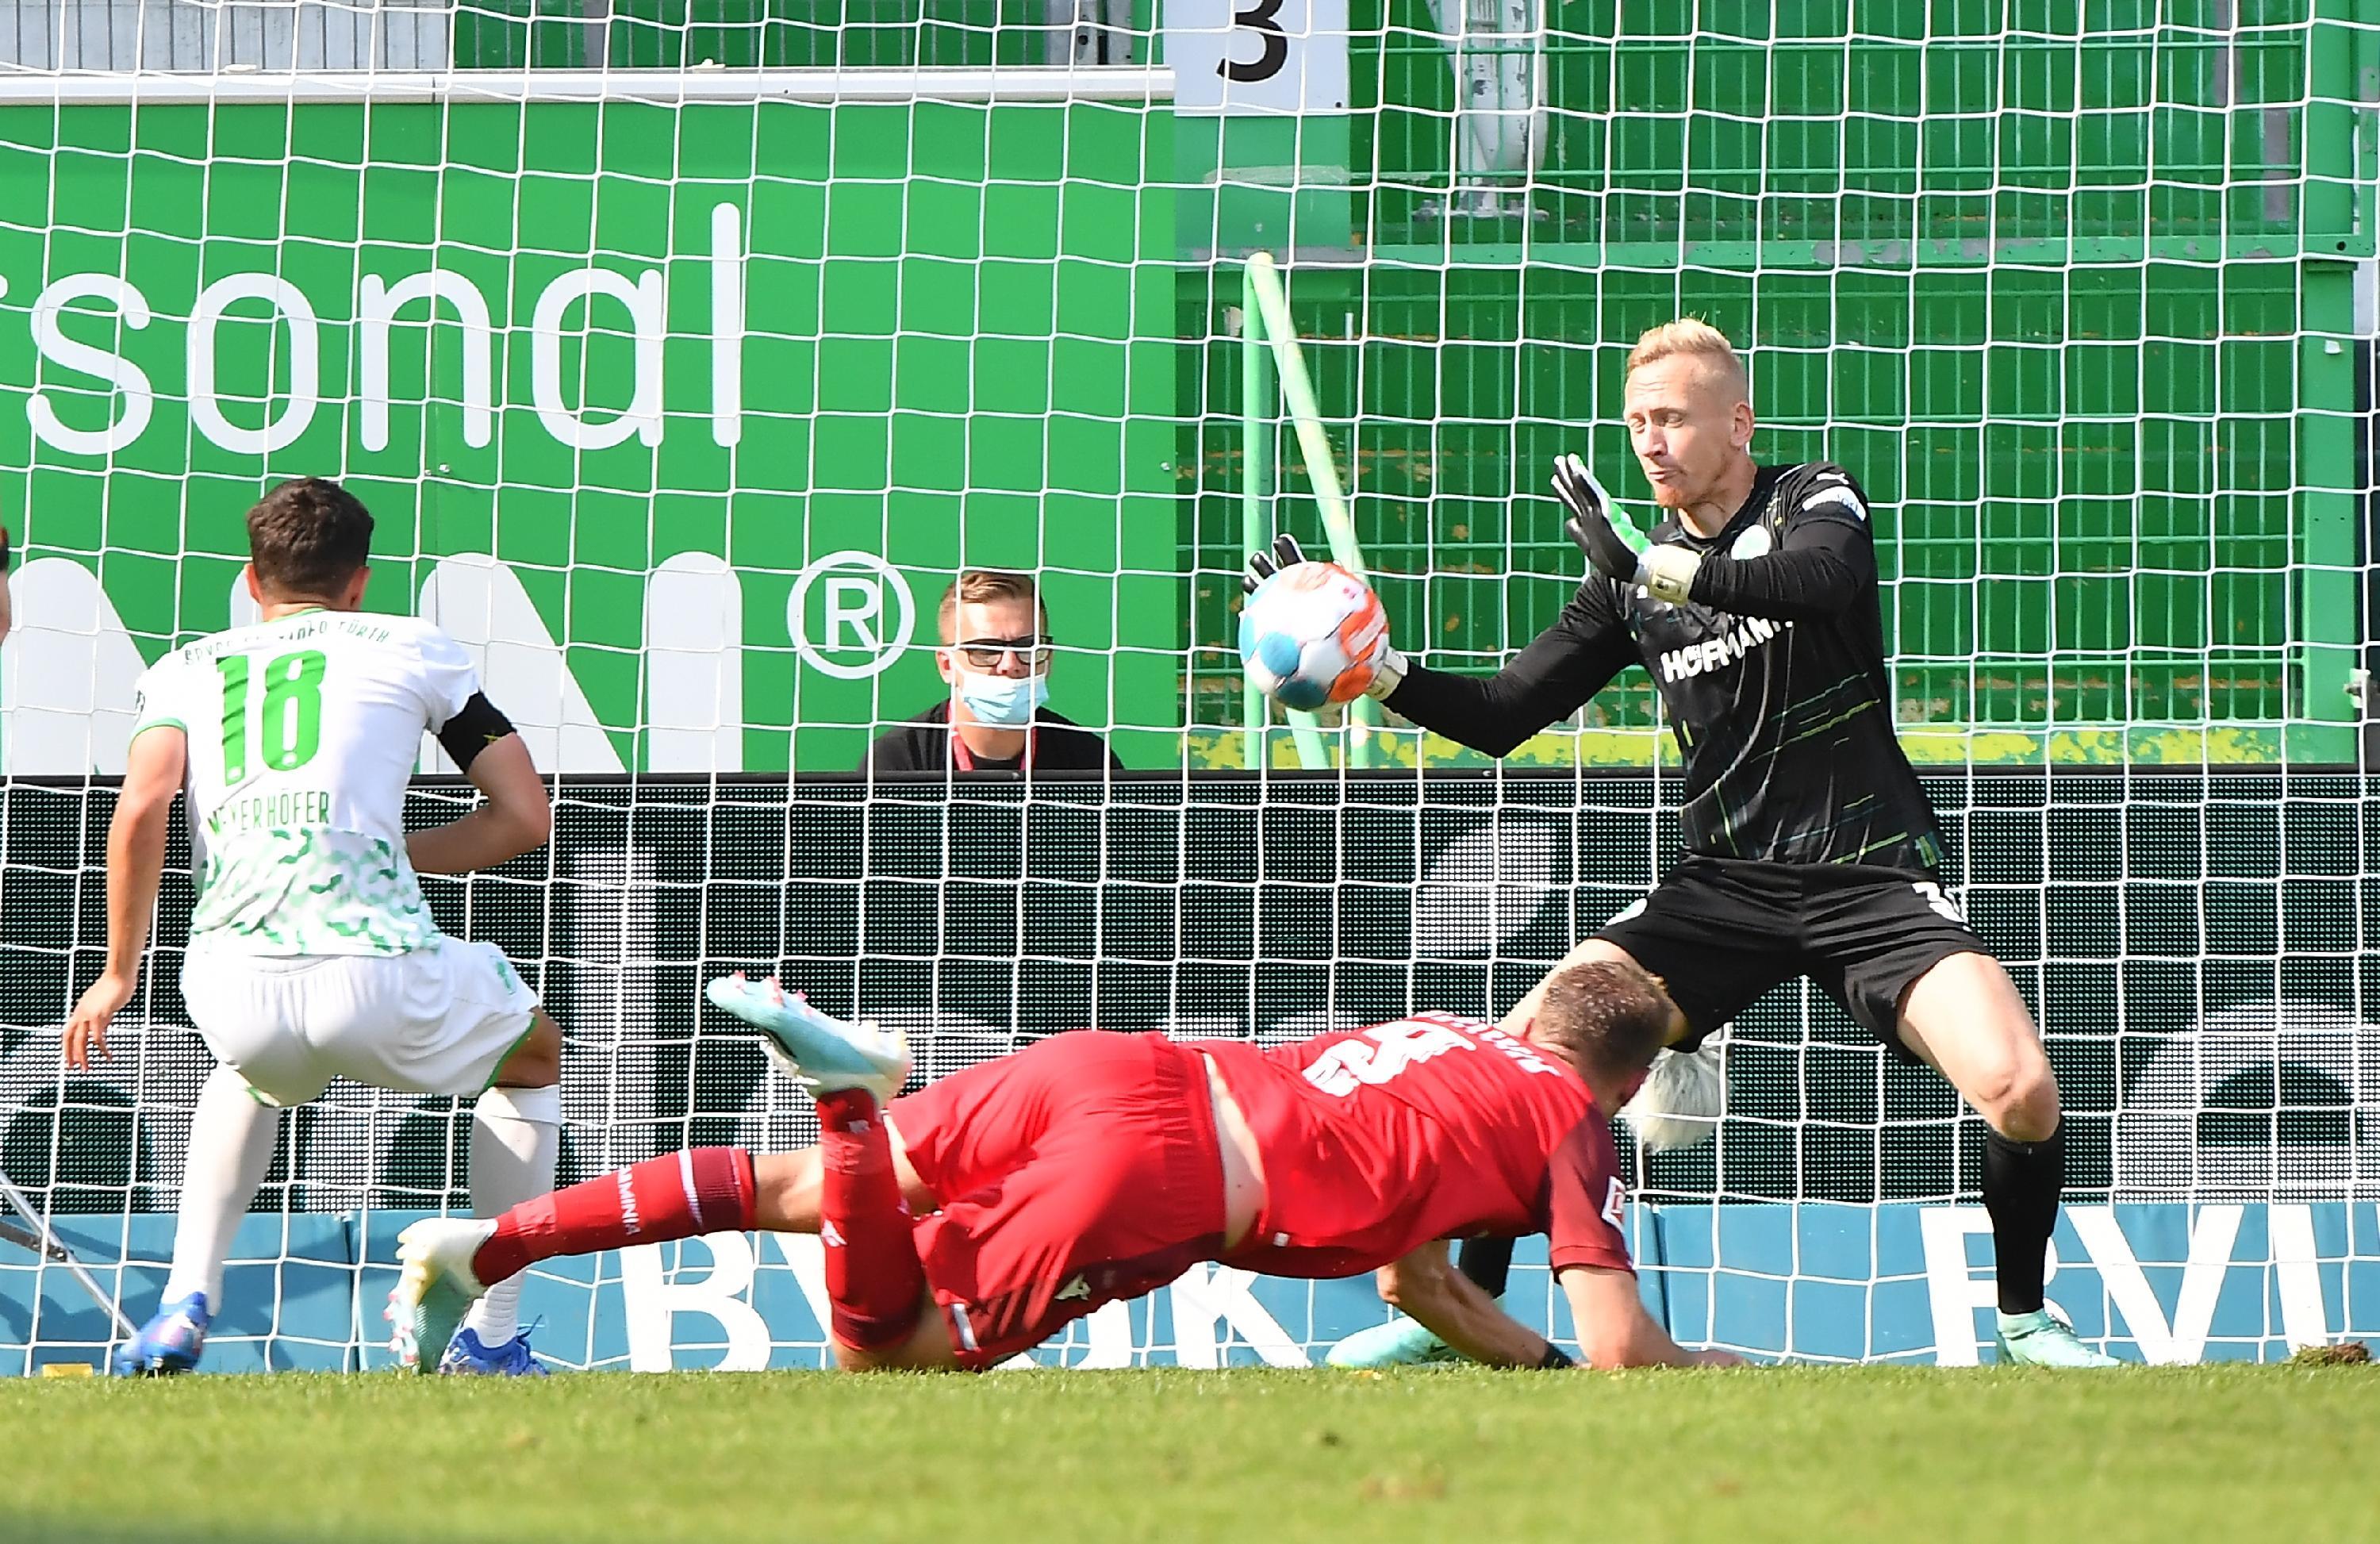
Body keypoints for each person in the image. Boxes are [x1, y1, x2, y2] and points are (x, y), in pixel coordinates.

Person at [1269, 318, 2115, 1369]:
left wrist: (1655, 569)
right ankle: (1453, 1312)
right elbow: (1501, 713)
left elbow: (1815, 584)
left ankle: (2026, 1320)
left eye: (1670, 418)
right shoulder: (1629, 577)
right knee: (1521, 1059)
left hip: (1872, 878)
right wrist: (1374, 669)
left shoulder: (1815, 498)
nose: (1650, 443)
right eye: (1636, 424)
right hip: (1720, 888)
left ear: (1738, 420)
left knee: (2019, 1087)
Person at [391, 958, 1744, 1373]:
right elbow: (1624, 1346)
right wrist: (1716, 1371)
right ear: (1624, 1084)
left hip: (1125, 1065)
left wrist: (1528, 1369)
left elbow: (1423, 1292)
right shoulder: (1575, 1122)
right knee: (892, 1351)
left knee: (794, 1197)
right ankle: (854, 1102)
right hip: (1170, 1173)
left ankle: (483, 1251)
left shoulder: (1450, 1036)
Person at [64, 476, 566, 1377]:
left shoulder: (186, 666)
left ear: (251, 584)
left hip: (229, 977)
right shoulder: (414, 647)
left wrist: (117, 972)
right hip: (374, 968)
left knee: (248, 1072)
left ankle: (186, 1301)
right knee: (533, 1052)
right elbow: (524, 817)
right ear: (360, 581)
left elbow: (142, 805)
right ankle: (490, 1338)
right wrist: (392, 851)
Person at [865, 569, 1119, 773]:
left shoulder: (1090, 761)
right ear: (947, 665)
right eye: (986, 650)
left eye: (1027, 647)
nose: (1010, 664)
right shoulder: (898, 761)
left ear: (1048, 659)